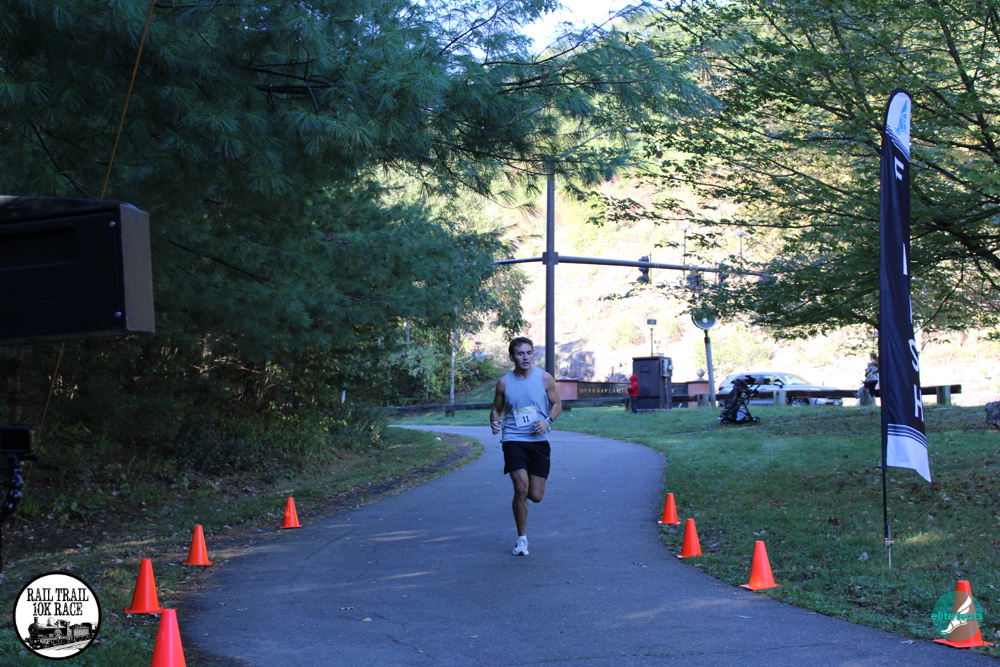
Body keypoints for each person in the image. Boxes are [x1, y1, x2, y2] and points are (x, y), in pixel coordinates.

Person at [489, 336, 562, 556]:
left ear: (533, 355)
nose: (525, 357)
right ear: (512, 357)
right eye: (520, 353)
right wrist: (494, 421)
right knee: (520, 488)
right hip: (513, 440)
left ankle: (523, 501)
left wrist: (548, 420)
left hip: (538, 441)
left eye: (529, 353)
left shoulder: (544, 378)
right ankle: (522, 539)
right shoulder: (504, 382)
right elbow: (496, 409)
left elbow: (557, 404)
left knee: (535, 495)